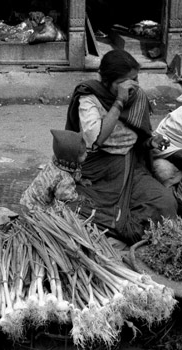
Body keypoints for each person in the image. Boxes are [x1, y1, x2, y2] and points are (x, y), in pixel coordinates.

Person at [65, 49, 176, 244]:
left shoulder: (138, 96)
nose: (131, 86)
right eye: (123, 82)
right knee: (72, 207)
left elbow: (138, 136)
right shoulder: (89, 97)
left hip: (130, 167)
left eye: (135, 79)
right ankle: (116, 225)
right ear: (105, 80)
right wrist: (118, 102)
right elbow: (95, 139)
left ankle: (123, 226)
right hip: (97, 170)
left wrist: (151, 141)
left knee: (165, 203)